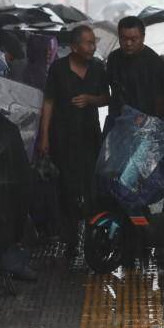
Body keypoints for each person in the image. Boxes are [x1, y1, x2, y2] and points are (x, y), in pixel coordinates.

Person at [38, 24, 110, 258]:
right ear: (74, 47)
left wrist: (90, 99)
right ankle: (69, 238)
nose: (93, 47)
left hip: (90, 137)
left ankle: (92, 237)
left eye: (94, 42)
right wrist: (44, 136)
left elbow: (106, 98)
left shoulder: (98, 67)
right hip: (62, 138)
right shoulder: (58, 69)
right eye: (88, 43)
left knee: (90, 188)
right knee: (67, 189)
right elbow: (49, 101)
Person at [105, 16, 164, 127]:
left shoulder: (154, 62)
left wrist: (151, 122)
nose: (128, 43)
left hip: (145, 122)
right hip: (118, 120)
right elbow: (112, 87)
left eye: (134, 39)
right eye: (123, 39)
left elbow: (161, 99)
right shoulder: (113, 58)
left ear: (143, 37)